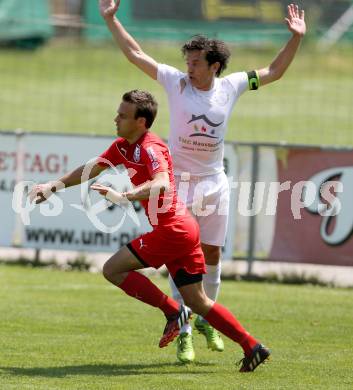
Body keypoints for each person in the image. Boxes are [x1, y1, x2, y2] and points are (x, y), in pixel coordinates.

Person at [99, 0, 306, 363]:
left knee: (211, 256)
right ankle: (185, 331)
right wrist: (110, 18)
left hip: (214, 183)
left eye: (196, 62)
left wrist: (296, 38)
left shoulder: (232, 86)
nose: (188, 67)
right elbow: (135, 54)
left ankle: (201, 317)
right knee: (178, 258)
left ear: (214, 65)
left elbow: (274, 71)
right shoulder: (175, 83)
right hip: (176, 185)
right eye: (187, 61)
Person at [29, 90, 270, 372]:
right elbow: (91, 168)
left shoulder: (151, 148)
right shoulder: (122, 147)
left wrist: (128, 196)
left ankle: (173, 311)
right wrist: (52, 186)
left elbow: (162, 182)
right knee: (198, 300)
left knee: (113, 270)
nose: (116, 118)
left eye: (122, 115)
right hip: (183, 229)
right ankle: (252, 346)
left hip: (175, 229)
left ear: (141, 122)